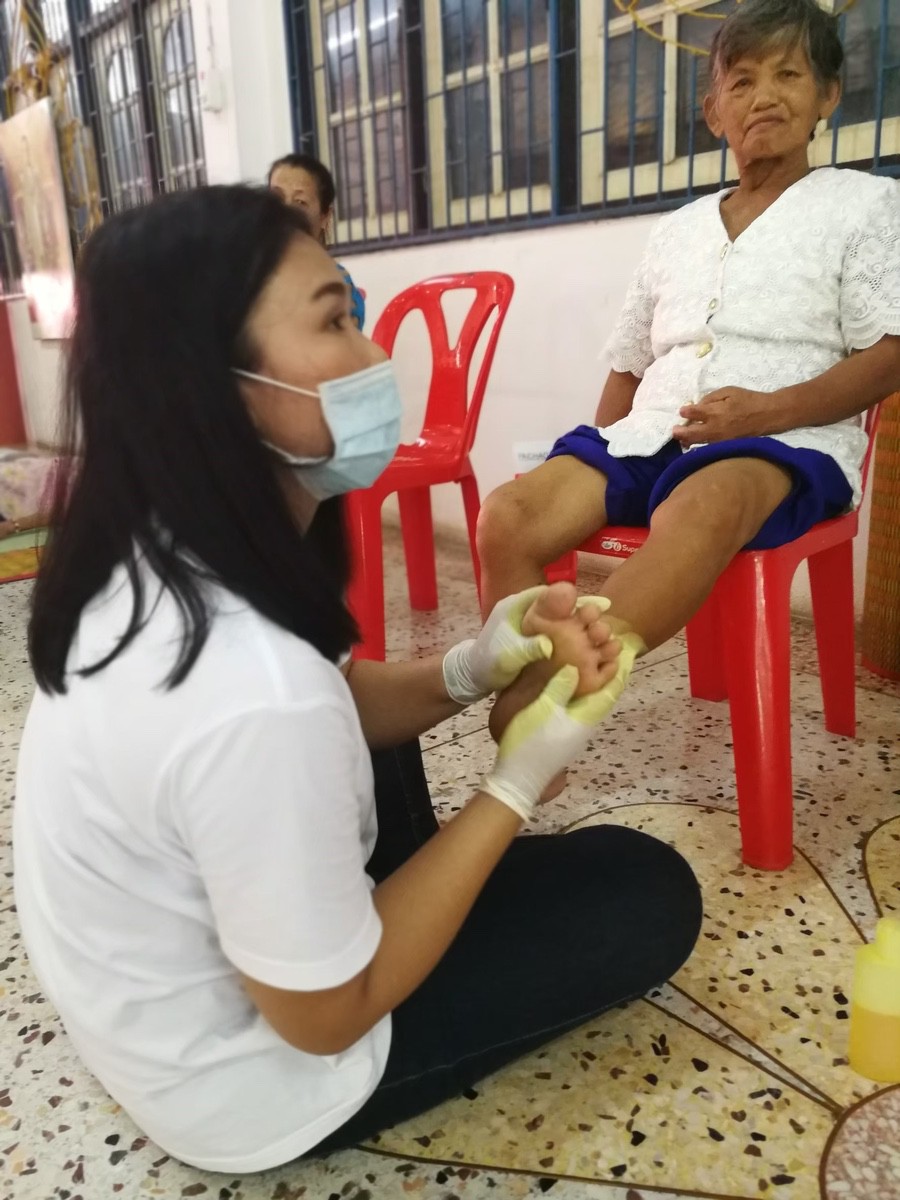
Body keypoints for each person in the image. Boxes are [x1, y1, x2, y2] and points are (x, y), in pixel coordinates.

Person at [13, 185, 702, 1173]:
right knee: (646, 887)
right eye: (335, 321)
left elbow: (331, 700)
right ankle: (386, 916)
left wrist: (474, 666)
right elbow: (326, 1017)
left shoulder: (157, 550)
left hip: (152, 1018)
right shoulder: (250, 687)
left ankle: (372, 903)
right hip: (256, 1081)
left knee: (364, 738)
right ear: (213, 383)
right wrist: (511, 787)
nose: (376, 354)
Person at [478, 0, 900, 743]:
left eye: (789, 75)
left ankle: (558, 702)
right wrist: (599, 461)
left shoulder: (866, 205)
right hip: (652, 436)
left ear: (828, 96)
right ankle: (533, 697)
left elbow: (890, 353)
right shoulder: (677, 230)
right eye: (742, 81)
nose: (764, 96)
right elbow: (629, 365)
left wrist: (766, 411)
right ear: (714, 113)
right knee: (508, 515)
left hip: (786, 443)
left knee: (701, 507)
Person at [268, 151, 366, 330]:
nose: (285, 211)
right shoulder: (251, 275)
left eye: (300, 202)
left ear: (324, 217)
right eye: (276, 198)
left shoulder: (337, 286)